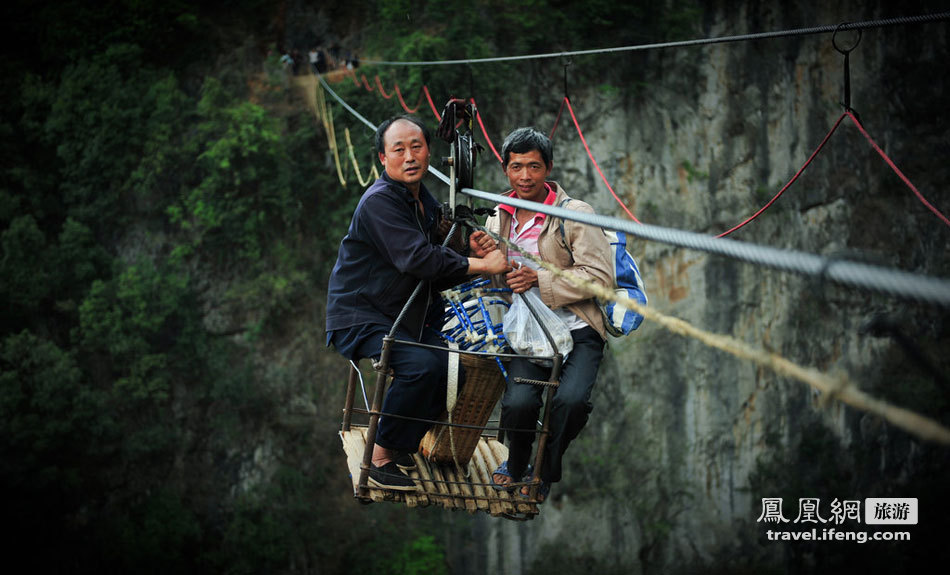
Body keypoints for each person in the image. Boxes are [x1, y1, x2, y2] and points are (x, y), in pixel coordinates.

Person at [326, 115, 508, 491]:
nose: (410, 156)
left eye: (417, 147)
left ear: (429, 152)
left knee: (449, 368)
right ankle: (378, 455)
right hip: (361, 315)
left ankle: (398, 443)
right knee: (424, 366)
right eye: (399, 149)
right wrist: (483, 264)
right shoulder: (381, 202)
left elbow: (436, 266)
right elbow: (417, 260)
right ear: (382, 158)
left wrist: (467, 252)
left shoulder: (421, 200)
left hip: (400, 314)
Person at [474, 127, 613, 503]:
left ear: (548, 168)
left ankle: (544, 467)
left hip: (580, 327)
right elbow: (500, 281)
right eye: (516, 167)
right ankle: (516, 464)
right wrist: (488, 261)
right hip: (529, 328)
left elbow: (601, 279)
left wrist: (540, 278)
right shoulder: (497, 217)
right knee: (519, 403)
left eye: (533, 167)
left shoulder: (574, 214)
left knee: (572, 401)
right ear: (505, 170)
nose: (524, 177)